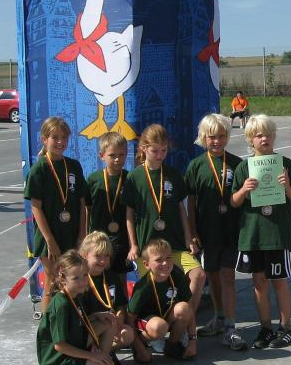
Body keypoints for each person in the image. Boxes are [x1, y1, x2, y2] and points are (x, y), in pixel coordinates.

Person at [232, 114, 291, 349]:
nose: (264, 139)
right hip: (253, 235)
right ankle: (265, 328)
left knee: (279, 282)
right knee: (259, 282)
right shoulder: (244, 167)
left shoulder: (285, 164)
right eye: (259, 135)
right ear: (250, 139)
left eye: (268, 134)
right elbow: (234, 202)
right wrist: (244, 190)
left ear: (274, 136)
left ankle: (286, 327)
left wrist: (287, 186)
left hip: (276, 235)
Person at [124, 124, 206, 327]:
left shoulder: (172, 174)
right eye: (155, 151)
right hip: (148, 247)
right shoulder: (134, 177)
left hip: (175, 243)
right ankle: (154, 330)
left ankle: (183, 325)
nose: (160, 155)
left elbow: (181, 209)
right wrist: (133, 245)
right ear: (143, 148)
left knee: (198, 274)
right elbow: (129, 214)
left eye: (164, 150)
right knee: (152, 290)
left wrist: (188, 238)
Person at [185, 113, 248, 350]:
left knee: (227, 276)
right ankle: (219, 317)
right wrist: (192, 231)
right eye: (212, 137)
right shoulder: (196, 166)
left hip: (231, 231)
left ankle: (230, 326)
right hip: (207, 231)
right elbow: (191, 202)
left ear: (227, 136)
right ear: (204, 137)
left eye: (221, 136)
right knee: (212, 275)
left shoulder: (238, 163)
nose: (217, 141)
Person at [35, 250, 128, 365]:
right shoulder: (61, 305)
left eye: (85, 275)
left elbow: (77, 319)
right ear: (63, 278)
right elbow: (59, 345)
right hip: (57, 356)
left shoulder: (76, 293)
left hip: (74, 341)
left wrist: (97, 315)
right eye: (76, 278)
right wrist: (91, 356)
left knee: (109, 322)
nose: (83, 281)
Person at [25, 117, 89, 311]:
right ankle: (47, 326)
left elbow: (82, 203)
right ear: (45, 139)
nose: (60, 142)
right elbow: (36, 207)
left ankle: (72, 322)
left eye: (64, 137)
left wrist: (82, 234)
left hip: (71, 233)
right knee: (53, 282)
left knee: (75, 282)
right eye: (55, 137)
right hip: (50, 237)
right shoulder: (39, 169)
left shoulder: (74, 166)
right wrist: (50, 240)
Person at [127, 238, 196, 362]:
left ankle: (172, 344)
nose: (165, 263)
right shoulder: (143, 286)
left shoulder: (177, 276)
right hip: (150, 325)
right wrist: (140, 349)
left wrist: (193, 342)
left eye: (168, 258)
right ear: (146, 264)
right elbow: (129, 319)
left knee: (184, 308)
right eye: (159, 260)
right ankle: (142, 343)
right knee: (159, 326)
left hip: (166, 318)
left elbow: (190, 309)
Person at [79, 231, 135, 365]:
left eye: (106, 256)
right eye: (97, 256)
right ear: (85, 255)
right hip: (86, 328)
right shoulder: (80, 279)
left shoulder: (110, 276)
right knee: (107, 323)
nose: (103, 261)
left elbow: (120, 304)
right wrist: (101, 318)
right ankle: (96, 361)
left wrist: (120, 316)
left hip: (109, 325)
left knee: (127, 333)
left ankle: (105, 352)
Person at [86, 132, 131, 297]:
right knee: (97, 276)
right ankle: (97, 307)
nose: (117, 159)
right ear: (102, 155)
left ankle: (122, 310)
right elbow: (87, 209)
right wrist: (85, 237)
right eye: (112, 155)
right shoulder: (94, 179)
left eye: (122, 155)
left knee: (120, 278)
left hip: (121, 239)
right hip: (98, 239)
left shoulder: (130, 178)